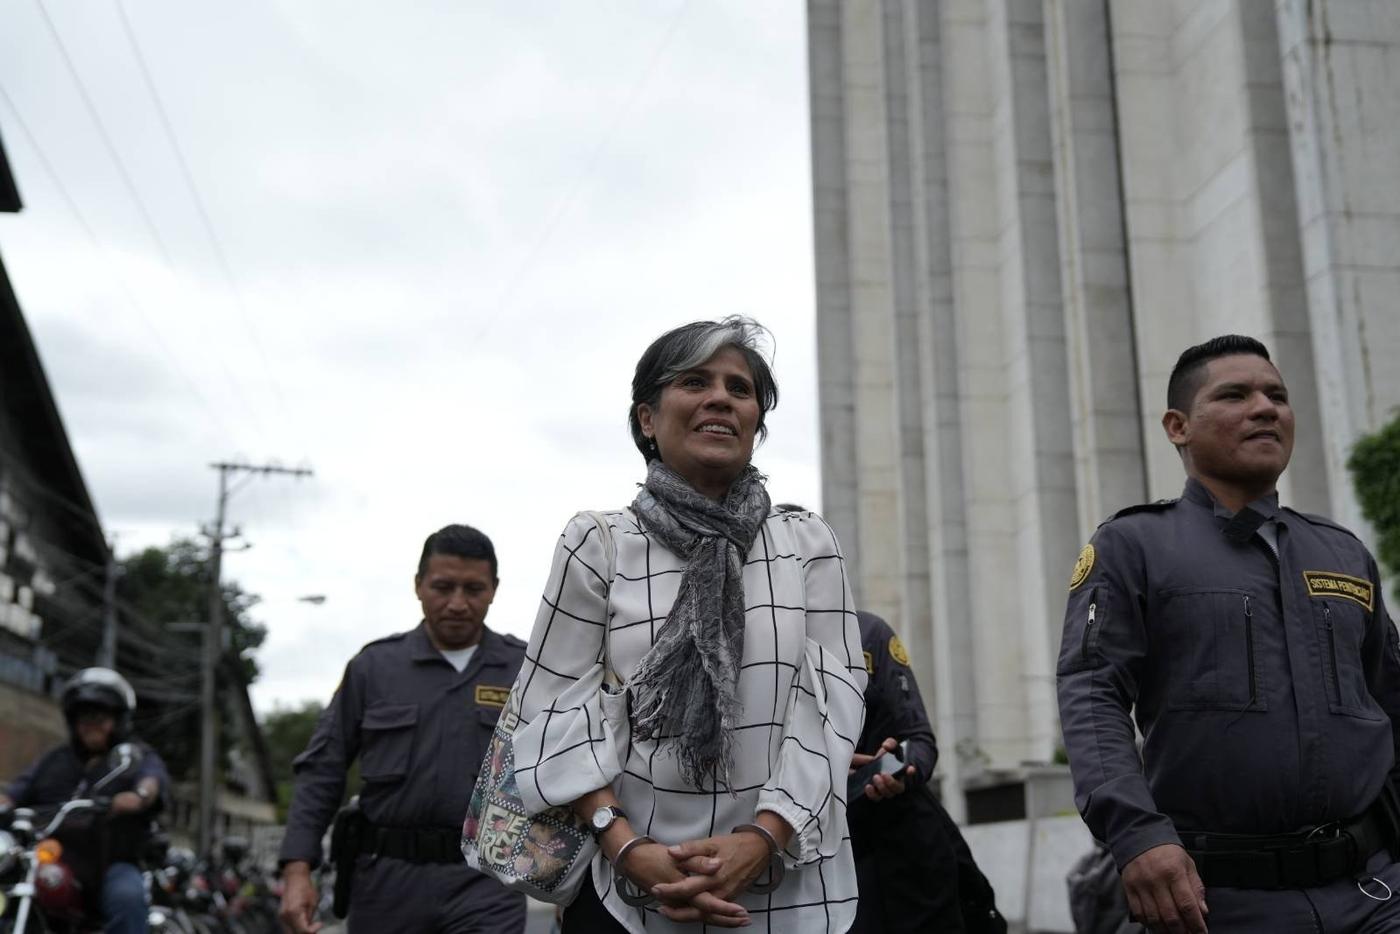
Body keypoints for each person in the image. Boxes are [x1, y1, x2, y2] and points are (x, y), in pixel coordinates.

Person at [503, 317, 867, 933]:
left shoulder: (806, 544)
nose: (720, 398)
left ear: (755, 421)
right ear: (647, 419)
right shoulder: (599, 543)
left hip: (787, 886)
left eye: (739, 388)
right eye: (695, 382)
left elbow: (833, 706)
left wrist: (763, 837)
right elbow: (553, 708)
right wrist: (627, 848)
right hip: (627, 892)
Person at [1057, 335, 1400, 933]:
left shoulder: (1343, 553)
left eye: (1277, 396)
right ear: (1178, 426)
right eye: (1235, 395)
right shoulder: (1135, 545)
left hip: (1372, 892)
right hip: (1216, 903)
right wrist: (1136, 835)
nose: (1265, 408)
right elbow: (1093, 694)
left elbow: (1390, 698)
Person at [278, 524, 528, 934]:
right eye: (442, 587)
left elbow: (568, 768)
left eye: (473, 589)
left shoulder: (526, 670)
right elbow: (322, 769)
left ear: (494, 590)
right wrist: (297, 870)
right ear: (418, 585)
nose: (457, 604)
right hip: (386, 884)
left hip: (487, 882)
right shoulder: (374, 669)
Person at [841, 607, 1005, 934]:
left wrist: (900, 765)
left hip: (908, 852)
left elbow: (919, 739)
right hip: (829, 857)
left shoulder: (867, 633)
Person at [0, 667, 169, 934]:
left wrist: (139, 797)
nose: (91, 724)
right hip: (54, 858)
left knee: (127, 899)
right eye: (84, 717)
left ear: (118, 719)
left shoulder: (134, 755)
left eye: (100, 716)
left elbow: (150, 781)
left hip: (112, 863)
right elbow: (15, 792)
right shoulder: (55, 760)